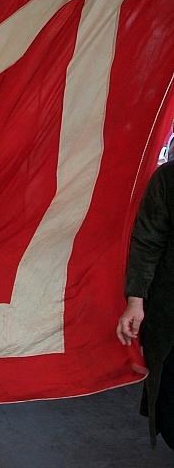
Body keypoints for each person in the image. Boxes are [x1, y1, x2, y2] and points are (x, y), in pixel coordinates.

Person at [117, 160, 174, 448]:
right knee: (170, 410)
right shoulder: (168, 179)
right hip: (170, 312)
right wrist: (135, 300)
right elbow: (147, 242)